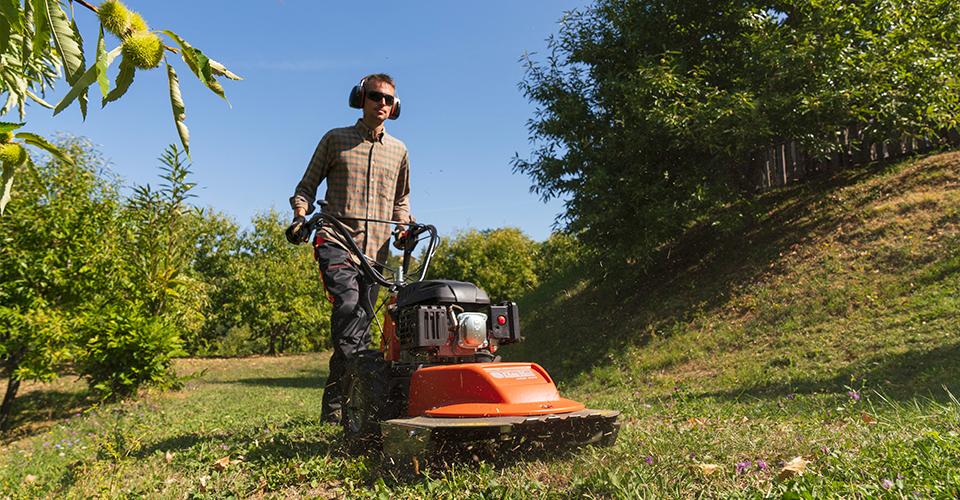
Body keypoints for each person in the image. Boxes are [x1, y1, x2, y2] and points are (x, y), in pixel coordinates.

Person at [286, 74, 413, 425]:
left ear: (395, 106)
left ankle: (337, 406)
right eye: (375, 96)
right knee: (349, 309)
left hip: (375, 253)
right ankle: (355, 405)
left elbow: (401, 200)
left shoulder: (399, 151)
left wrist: (402, 227)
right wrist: (300, 216)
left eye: (388, 99)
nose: (382, 103)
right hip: (336, 239)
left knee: (357, 325)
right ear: (360, 98)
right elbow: (306, 187)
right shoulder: (335, 139)